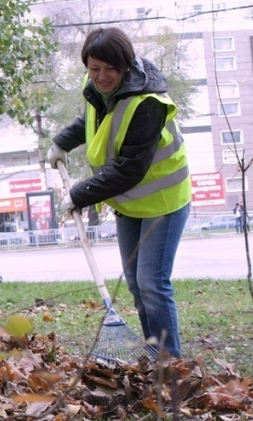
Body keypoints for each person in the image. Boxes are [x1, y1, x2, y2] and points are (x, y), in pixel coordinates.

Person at [46, 27, 191, 359]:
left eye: (110, 68)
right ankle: (155, 354)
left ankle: (171, 364)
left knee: (152, 283)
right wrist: (61, 143)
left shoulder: (147, 104)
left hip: (164, 201)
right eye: (94, 68)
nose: (102, 76)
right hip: (131, 203)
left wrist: (80, 194)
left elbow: (130, 168)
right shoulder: (97, 88)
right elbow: (91, 119)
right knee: (137, 287)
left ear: (126, 64)